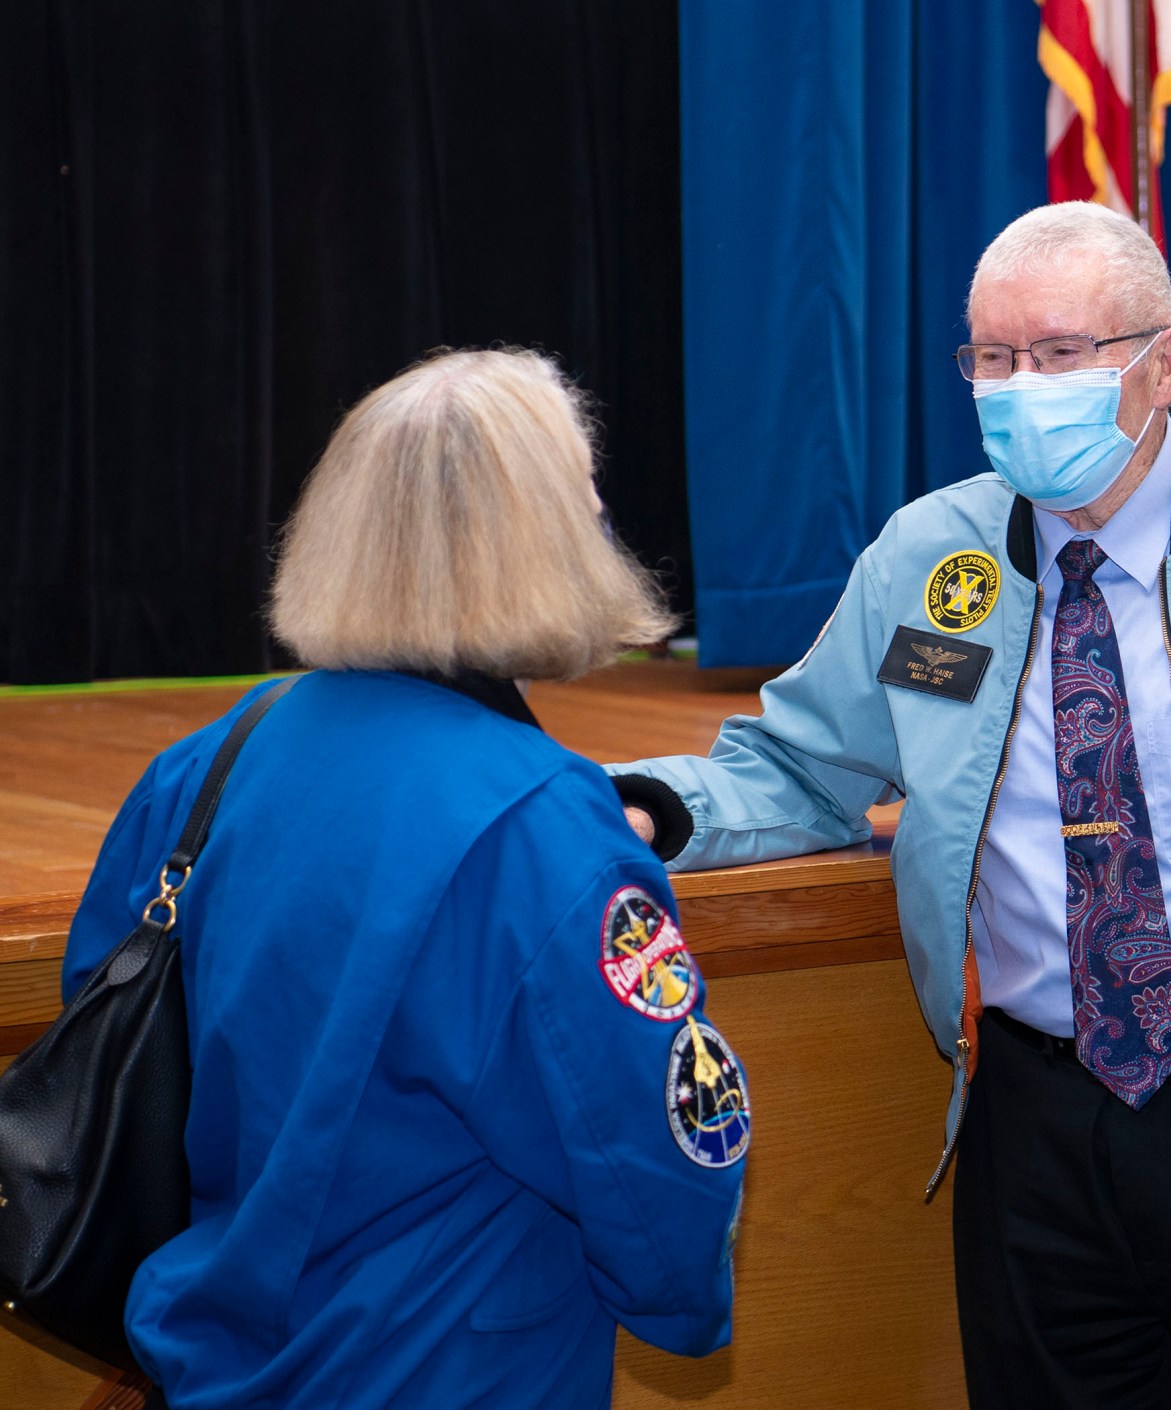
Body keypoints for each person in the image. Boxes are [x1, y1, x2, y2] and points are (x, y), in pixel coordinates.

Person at [608, 201, 1171, 1408]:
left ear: (1162, 363)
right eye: (991, 359)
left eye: (1057, 355)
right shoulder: (927, 563)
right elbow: (804, 765)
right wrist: (646, 809)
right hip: (1033, 1125)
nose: (1018, 389)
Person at [62, 349, 749, 1410]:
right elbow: (655, 1154)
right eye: (584, 489)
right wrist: (683, 1302)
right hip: (449, 1367)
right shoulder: (540, 827)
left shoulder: (209, 762)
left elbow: (109, 1034)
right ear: (544, 540)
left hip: (211, 1357)